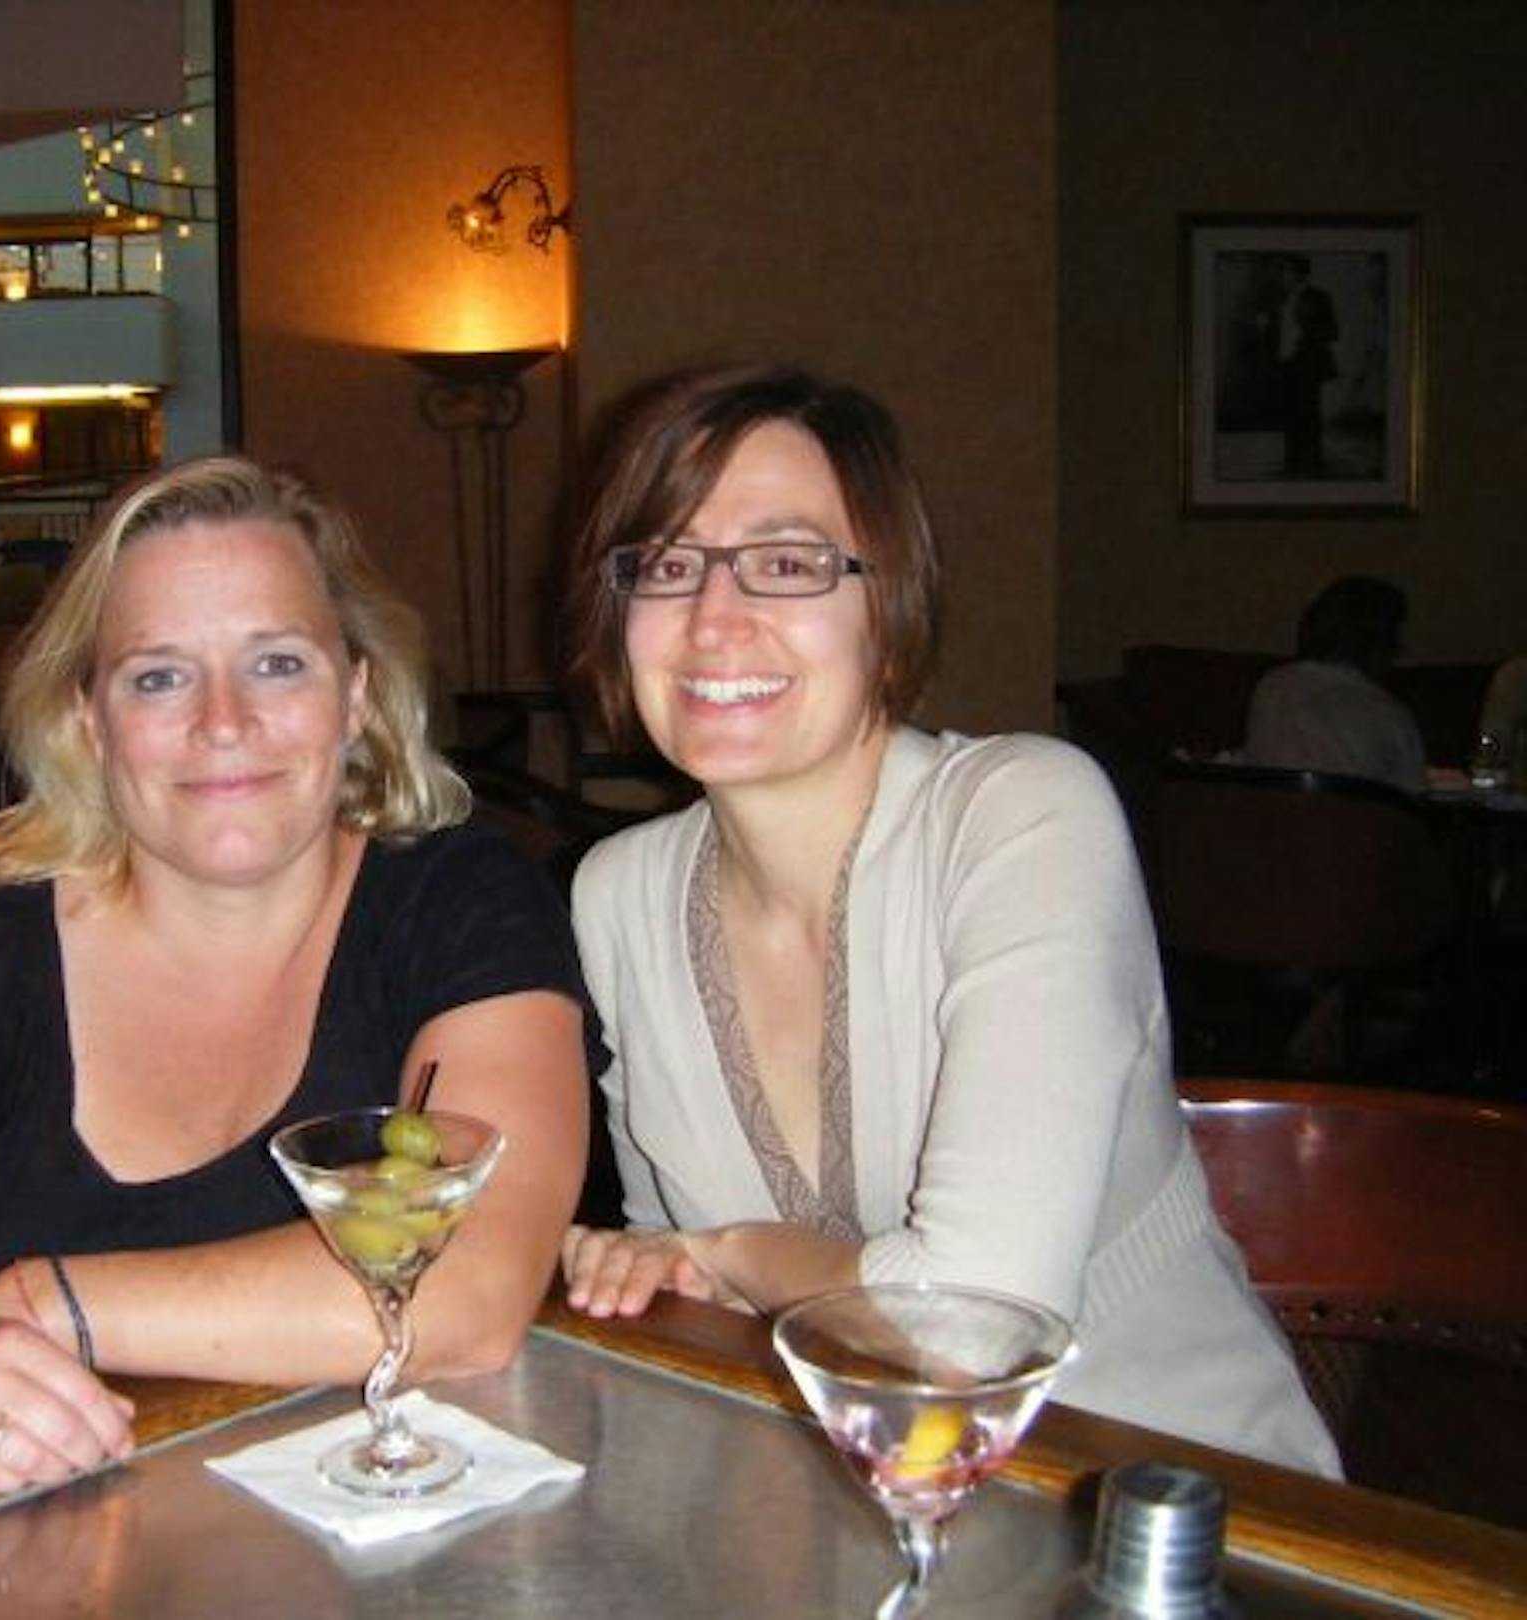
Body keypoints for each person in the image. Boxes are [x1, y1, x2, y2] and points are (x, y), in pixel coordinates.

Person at [0, 456, 597, 1491]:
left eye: (277, 663)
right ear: (91, 724)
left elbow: (467, 1297)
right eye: (158, 676)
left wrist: (48, 1303)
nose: (223, 721)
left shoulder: (459, 905)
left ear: (358, 696)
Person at [554, 362, 1339, 1477]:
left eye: (787, 564)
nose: (712, 620)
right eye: (669, 565)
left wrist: (733, 1251)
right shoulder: (618, 891)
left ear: (891, 601)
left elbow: (978, 1329)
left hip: (1166, 1514)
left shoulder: (1024, 816)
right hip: (859, 1515)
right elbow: (690, 1299)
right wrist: (662, 1268)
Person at [1243, 575, 1425, 794]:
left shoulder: (1272, 687)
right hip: (1357, 824)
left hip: (1271, 821)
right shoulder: (1391, 715)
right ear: (1383, 642)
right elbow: (1411, 795)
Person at [1276, 254, 1338, 478]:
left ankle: (1313, 464)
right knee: (1291, 415)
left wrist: (1306, 333)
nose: (1283, 276)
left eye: (1287, 271)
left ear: (1298, 273)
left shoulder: (1319, 297)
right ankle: (1292, 464)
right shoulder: (1286, 298)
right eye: (1283, 271)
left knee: (1309, 415)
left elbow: (1332, 331)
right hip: (1289, 365)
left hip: (1307, 366)